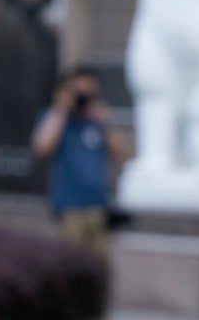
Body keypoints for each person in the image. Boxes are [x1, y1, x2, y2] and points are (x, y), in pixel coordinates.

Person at [31, 65, 128, 259]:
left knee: (100, 266)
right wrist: (61, 109)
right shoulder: (55, 118)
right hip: (69, 209)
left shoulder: (95, 120)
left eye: (89, 93)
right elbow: (42, 147)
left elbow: (120, 153)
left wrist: (104, 122)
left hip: (99, 207)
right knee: (72, 265)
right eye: (80, 92)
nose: (84, 98)